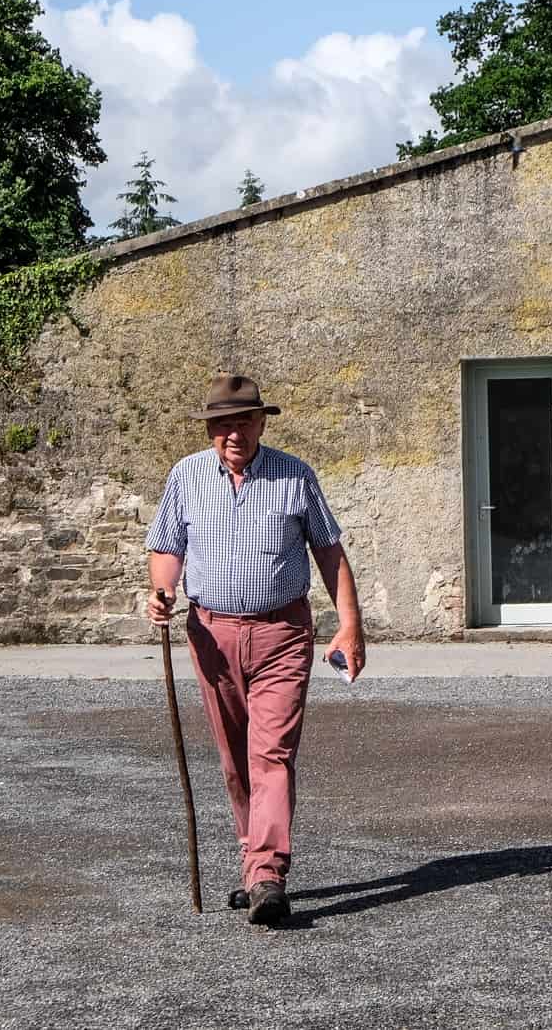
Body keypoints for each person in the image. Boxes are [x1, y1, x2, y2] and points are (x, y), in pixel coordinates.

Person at [144, 372, 366, 925]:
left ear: (261, 422)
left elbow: (329, 552)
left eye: (243, 422)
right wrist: (162, 591)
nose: (233, 434)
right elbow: (167, 547)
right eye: (222, 425)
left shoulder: (295, 475)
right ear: (210, 430)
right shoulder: (187, 476)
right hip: (210, 635)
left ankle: (267, 872)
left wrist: (350, 625)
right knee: (234, 758)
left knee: (271, 753)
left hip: (282, 633)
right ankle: (254, 862)